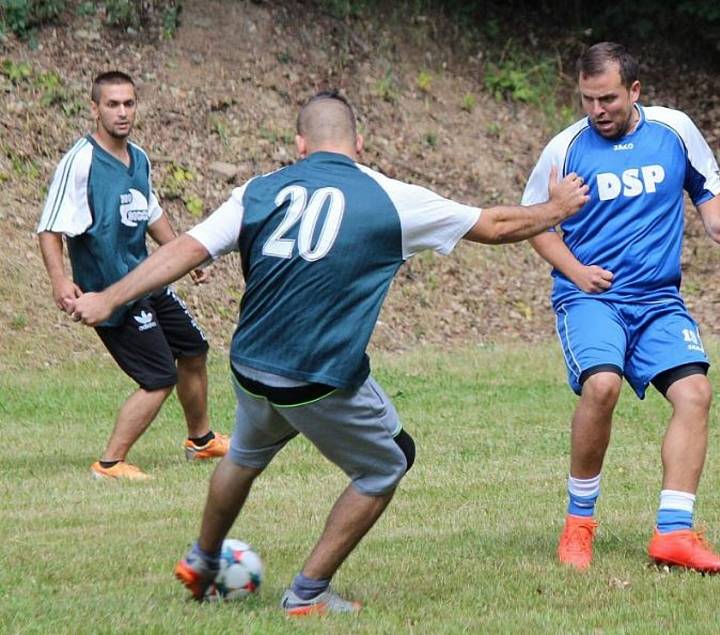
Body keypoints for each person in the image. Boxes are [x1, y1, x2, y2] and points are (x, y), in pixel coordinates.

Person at [66, 90, 589, 614]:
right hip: (315, 378)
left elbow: (184, 249)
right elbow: (493, 225)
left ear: (299, 145)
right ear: (359, 144)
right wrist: (555, 209)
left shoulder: (257, 191)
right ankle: (308, 594)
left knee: (245, 456)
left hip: (250, 366)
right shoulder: (390, 197)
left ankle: (202, 560)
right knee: (387, 465)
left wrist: (109, 296)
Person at [522, 42, 720, 573]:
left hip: (658, 300)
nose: (597, 110)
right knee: (602, 385)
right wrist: (576, 270)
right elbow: (535, 223)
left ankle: (674, 534)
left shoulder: (674, 130)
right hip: (591, 298)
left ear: (634, 91)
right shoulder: (565, 148)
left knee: (695, 393)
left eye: (607, 98)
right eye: (587, 99)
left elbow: (705, 185)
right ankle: (578, 526)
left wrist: (717, 223)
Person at [37, 71, 229, 481]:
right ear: (94, 109)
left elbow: (150, 211)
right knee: (159, 376)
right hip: (110, 294)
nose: (122, 112)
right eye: (112, 104)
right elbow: (49, 229)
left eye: (128, 104)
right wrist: (59, 280)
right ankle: (110, 463)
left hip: (148, 282)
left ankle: (201, 440)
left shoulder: (138, 157)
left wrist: (182, 256)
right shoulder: (81, 163)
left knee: (194, 350)